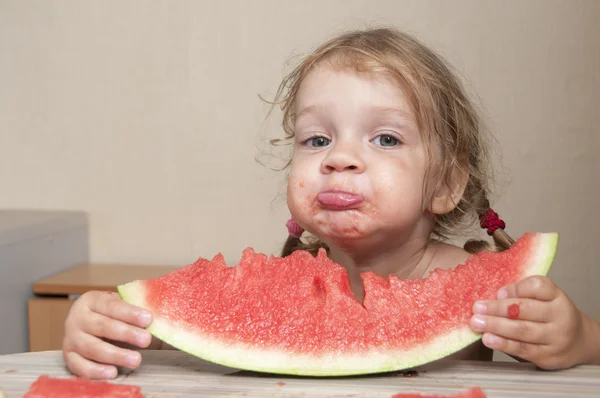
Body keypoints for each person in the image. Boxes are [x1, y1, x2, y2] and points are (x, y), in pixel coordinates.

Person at [61, 27, 600, 380]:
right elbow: (155, 335)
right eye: (316, 140)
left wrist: (576, 338)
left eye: (385, 139)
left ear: (446, 184)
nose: (339, 158)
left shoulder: (485, 286)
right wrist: (96, 324)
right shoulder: (280, 283)